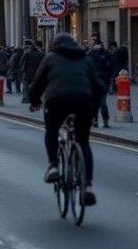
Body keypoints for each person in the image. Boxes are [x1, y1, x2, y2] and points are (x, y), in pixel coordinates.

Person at [28, 33, 103, 207]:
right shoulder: (85, 59)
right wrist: (95, 109)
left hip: (56, 100)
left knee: (52, 131)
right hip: (83, 102)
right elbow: (98, 87)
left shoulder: (51, 58)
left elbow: (38, 83)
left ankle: (53, 165)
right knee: (83, 142)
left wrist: (34, 101)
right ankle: (88, 186)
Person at [87, 39, 113, 128]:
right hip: (104, 82)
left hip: (93, 82)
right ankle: (105, 120)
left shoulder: (90, 54)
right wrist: (110, 82)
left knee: (94, 102)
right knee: (103, 101)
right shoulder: (107, 53)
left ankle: (94, 120)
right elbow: (111, 68)